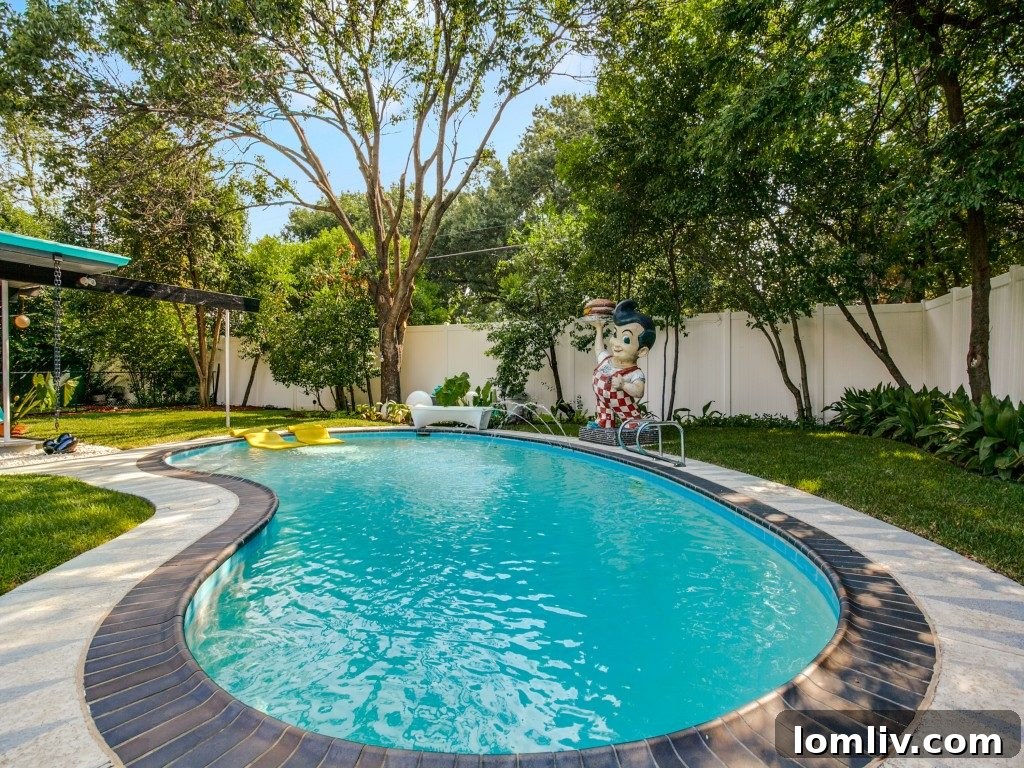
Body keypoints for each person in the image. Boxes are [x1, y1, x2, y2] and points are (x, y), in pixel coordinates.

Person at [590, 299, 656, 429]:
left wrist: (624, 385)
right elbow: (599, 349)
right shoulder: (606, 360)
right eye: (615, 334)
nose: (615, 343)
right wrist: (599, 329)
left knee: (630, 420)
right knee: (604, 414)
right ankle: (604, 423)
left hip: (624, 406)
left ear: (642, 351)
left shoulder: (634, 373)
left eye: (625, 339)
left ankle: (636, 428)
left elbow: (639, 391)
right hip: (603, 402)